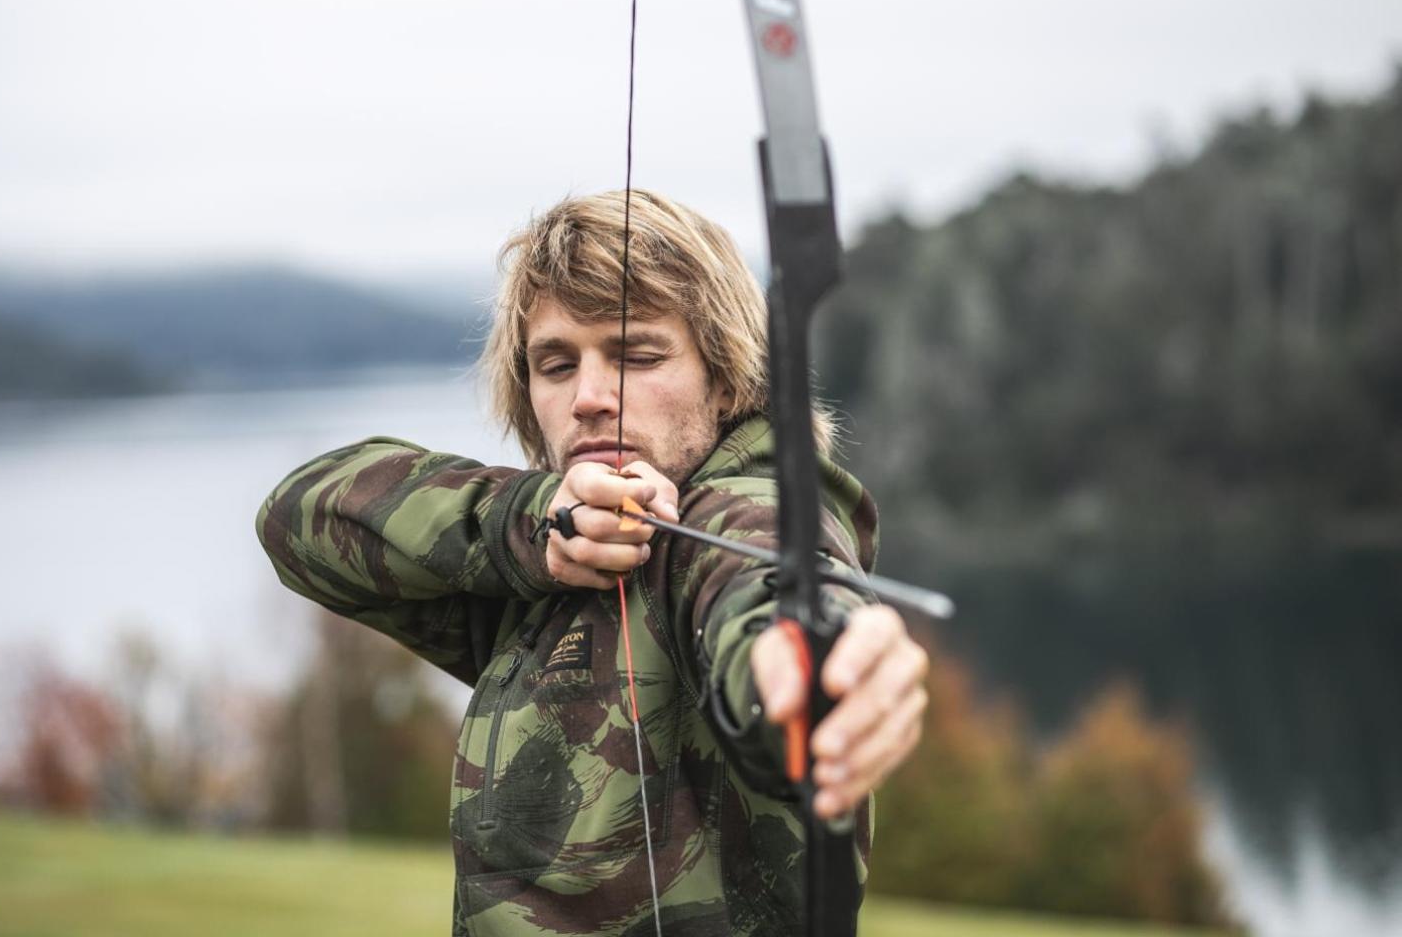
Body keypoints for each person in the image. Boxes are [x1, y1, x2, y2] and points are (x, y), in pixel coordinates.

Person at [256, 190, 930, 936]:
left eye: (637, 356)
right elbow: (297, 516)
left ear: (726, 378)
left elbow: (768, 580)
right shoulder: (534, 570)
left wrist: (810, 662)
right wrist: (528, 524)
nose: (588, 398)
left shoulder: (732, 519)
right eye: (555, 364)